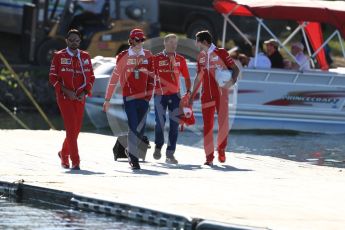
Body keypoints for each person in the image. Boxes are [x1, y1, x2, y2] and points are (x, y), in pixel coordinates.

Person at [103, 28, 154, 170]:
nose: (140, 43)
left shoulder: (148, 55)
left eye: (142, 40)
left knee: (141, 130)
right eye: (137, 40)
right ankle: (133, 158)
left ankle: (130, 151)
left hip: (143, 99)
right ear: (131, 41)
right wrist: (107, 99)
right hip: (130, 98)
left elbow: (152, 79)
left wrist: (148, 97)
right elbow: (114, 79)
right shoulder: (123, 56)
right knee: (133, 127)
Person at [189, 30, 240, 165]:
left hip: (221, 95)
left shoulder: (221, 52)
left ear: (205, 42)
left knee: (223, 123)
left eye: (197, 41)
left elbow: (236, 69)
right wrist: (192, 94)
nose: (196, 44)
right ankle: (209, 157)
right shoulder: (200, 56)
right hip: (206, 95)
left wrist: (231, 83)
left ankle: (221, 150)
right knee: (207, 126)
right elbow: (198, 77)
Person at [49, 29, 95, 170]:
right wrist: (66, 91)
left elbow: (91, 77)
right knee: (70, 128)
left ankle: (63, 153)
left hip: (80, 97)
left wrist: (85, 92)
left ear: (80, 42)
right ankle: (75, 161)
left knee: (76, 130)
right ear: (66, 41)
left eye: (77, 40)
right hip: (64, 97)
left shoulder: (85, 56)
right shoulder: (58, 56)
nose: (74, 42)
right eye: (71, 40)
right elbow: (52, 77)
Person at [152, 34, 191, 164]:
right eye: (172, 42)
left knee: (174, 125)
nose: (174, 45)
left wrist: (189, 92)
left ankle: (170, 154)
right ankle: (158, 146)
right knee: (160, 123)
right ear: (165, 43)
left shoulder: (180, 59)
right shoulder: (156, 58)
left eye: (176, 43)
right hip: (160, 96)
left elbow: (186, 77)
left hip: (175, 96)